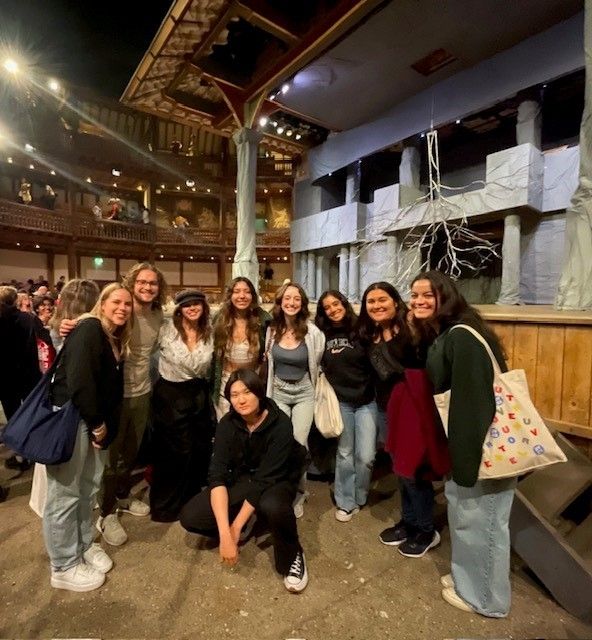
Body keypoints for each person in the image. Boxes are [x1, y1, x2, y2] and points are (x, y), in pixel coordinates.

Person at [409, 270, 515, 617]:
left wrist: (465, 466)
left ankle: (485, 600)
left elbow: (473, 405)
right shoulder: (448, 333)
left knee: (481, 525)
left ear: (446, 296)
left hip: (479, 451)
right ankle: (468, 582)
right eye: (414, 295)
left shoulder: (463, 338)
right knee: (469, 522)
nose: (419, 301)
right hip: (467, 450)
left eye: (428, 294)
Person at [179, 368, 309, 593]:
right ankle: (250, 518)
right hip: (245, 476)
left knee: (273, 506)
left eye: (247, 392)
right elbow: (217, 476)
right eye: (234, 394)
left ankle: (293, 553)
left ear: (259, 392)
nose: (241, 400)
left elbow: (264, 479)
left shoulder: (280, 424)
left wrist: (236, 528)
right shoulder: (227, 424)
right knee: (191, 516)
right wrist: (225, 534)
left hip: (277, 476)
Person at [44, 283, 133, 592]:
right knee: (64, 495)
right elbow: (80, 381)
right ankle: (63, 565)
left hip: (94, 422)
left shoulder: (112, 336)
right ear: (102, 304)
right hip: (75, 420)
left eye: (127, 304)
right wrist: (97, 425)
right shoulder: (89, 328)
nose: (122, 307)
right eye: (116, 302)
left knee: (86, 489)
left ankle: (82, 545)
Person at [358, 281, 440, 557]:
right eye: (371, 301)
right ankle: (409, 521)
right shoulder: (372, 333)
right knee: (399, 469)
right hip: (385, 408)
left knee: (414, 471)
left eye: (383, 300)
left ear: (395, 301)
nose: (377, 306)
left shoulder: (410, 329)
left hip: (410, 410)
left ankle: (426, 530)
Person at [95, 263, 165, 545]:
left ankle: (122, 495)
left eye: (153, 283)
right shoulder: (121, 310)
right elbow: (92, 321)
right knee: (110, 458)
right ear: (132, 283)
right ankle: (106, 512)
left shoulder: (159, 314)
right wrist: (68, 323)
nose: (148, 287)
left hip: (142, 391)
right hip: (114, 395)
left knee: (131, 452)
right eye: (143, 282)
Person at [150, 289, 214, 522]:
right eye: (187, 305)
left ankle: (189, 502)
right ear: (179, 309)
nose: (193, 308)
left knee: (196, 451)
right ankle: (165, 506)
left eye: (197, 304)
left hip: (198, 394)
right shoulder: (166, 330)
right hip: (170, 395)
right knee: (172, 453)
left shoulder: (209, 332)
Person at [314, 290, 376, 522]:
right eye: (327, 307)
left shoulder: (361, 328)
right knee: (345, 452)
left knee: (367, 456)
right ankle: (345, 501)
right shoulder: (321, 334)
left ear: (344, 304)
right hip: (340, 402)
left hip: (366, 401)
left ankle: (360, 495)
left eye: (336, 304)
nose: (333, 309)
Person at [265, 282, 325, 518]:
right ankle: (281, 492)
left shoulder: (312, 333)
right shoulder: (271, 331)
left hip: (303, 393)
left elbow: (318, 363)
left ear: (302, 304)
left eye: (296, 299)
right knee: (280, 442)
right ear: (280, 302)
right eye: (287, 298)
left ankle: (299, 493)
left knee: (299, 444)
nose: (291, 303)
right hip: (278, 391)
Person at [211, 277, 271, 420]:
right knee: (227, 428)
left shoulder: (263, 320)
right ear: (230, 295)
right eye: (237, 291)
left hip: (252, 383)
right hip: (225, 384)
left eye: (247, 292)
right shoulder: (220, 319)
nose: (242, 296)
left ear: (252, 296)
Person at [0, 286, 40, 474]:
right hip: (29, 373)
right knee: (32, 412)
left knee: (13, 416)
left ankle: (20, 455)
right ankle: (35, 448)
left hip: (6, 377)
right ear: (16, 300)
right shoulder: (28, 318)